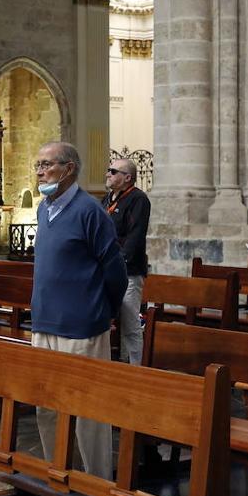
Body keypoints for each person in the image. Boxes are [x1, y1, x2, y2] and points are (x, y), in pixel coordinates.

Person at [31, 141, 127, 478]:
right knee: (46, 405)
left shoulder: (90, 211)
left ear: (69, 168)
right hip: (44, 323)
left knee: (88, 409)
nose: (40, 171)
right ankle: (57, 471)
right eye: (38, 165)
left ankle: (97, 482)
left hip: (82, 325)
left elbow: (115, 271)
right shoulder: (44, 209)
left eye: (47, 164)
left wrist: (106, 311)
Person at [104, 157, 150, 366]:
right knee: (106, 320)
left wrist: (119, 263)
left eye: (113, 171)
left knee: (131, 322)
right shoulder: (108, 199)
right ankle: (113, 362)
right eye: (108, 170)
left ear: (127, 178)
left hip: (128, 271)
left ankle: (136, 367)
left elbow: (135, 236)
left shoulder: (138, 199)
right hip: (106, 270)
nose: (108, 174)